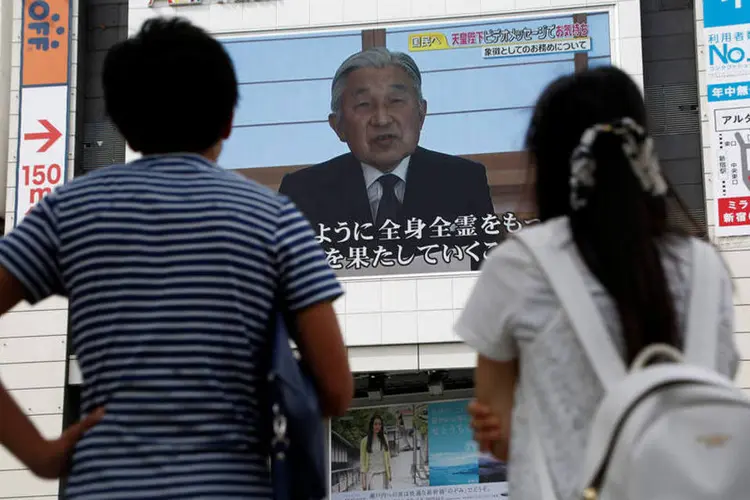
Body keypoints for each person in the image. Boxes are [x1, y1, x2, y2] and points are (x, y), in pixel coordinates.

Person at [0, 17, 353, 499]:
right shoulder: (274, 218)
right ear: (228, 120)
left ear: (123, 123)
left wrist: (38, 454)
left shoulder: (69, 211)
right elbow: (335, 388)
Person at [454, 66, 739, 500]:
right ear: (641, 147)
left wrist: (497, 430)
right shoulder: (704, 267)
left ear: (549, 162)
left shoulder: (519, 265)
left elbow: (501, 435)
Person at [278, 47, 496, 273]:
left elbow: (486, 282)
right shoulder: (301, 193)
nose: (382, 119)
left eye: (396, 101)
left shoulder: (464, 182)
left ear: (422, 113)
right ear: (338, 126)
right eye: (364, 105)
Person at [360, 413, 392, 490]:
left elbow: (388, 458)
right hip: (371, 475)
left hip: (384, 474)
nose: (377, 426)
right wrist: (363, 481)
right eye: (375, 424)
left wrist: (390, 474)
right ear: (371, 425)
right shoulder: (364, 441)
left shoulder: (385, 438)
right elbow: (363, 462)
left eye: (379, 424)